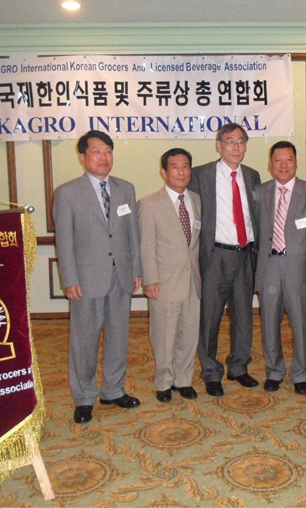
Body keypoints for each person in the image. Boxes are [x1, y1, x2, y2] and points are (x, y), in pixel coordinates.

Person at [53, 130, 142, 424]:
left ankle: (113, 390)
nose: (104, 157)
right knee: (85, 341)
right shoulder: (67, 192)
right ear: (82, 157)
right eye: (96, 151)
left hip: (121, 276)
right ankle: (84, 397)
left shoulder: (125, 188)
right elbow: (64, 240)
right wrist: (69, 278)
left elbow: (132, 234)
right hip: (86, 278)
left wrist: (136, 270)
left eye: (108, 151)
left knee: (118, 336)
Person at [188, 123, 260, 397]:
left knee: (243, 315)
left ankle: (239, 367)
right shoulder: (201, 175)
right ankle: (210, 371)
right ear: (219, 145)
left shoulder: (252, 175)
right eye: (230, 141)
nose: (236, 147)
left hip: (245, 255)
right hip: (215, 256)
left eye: (241, 141)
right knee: (210, 317)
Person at [255, 141, 306, 395]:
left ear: (296, 163)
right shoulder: (260, 192)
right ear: (270, 164)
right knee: (269, 323)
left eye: (288, 160)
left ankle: (300, 373)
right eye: (278, 160)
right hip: (269, 266)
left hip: (301, 269)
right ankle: (274, 372)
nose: (283, 165)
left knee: (301, 323)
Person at [138, 148, 202, 403]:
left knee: (189, 334)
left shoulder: (197, 200)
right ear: (164, 172)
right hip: (164, 282)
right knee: (164, 336)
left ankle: (183, 380)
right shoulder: (149, 204)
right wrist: (150, 279)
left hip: (193, 281)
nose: (181, 172)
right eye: (175, 167)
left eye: (185, 166)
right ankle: (164, 382)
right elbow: (146, 245)